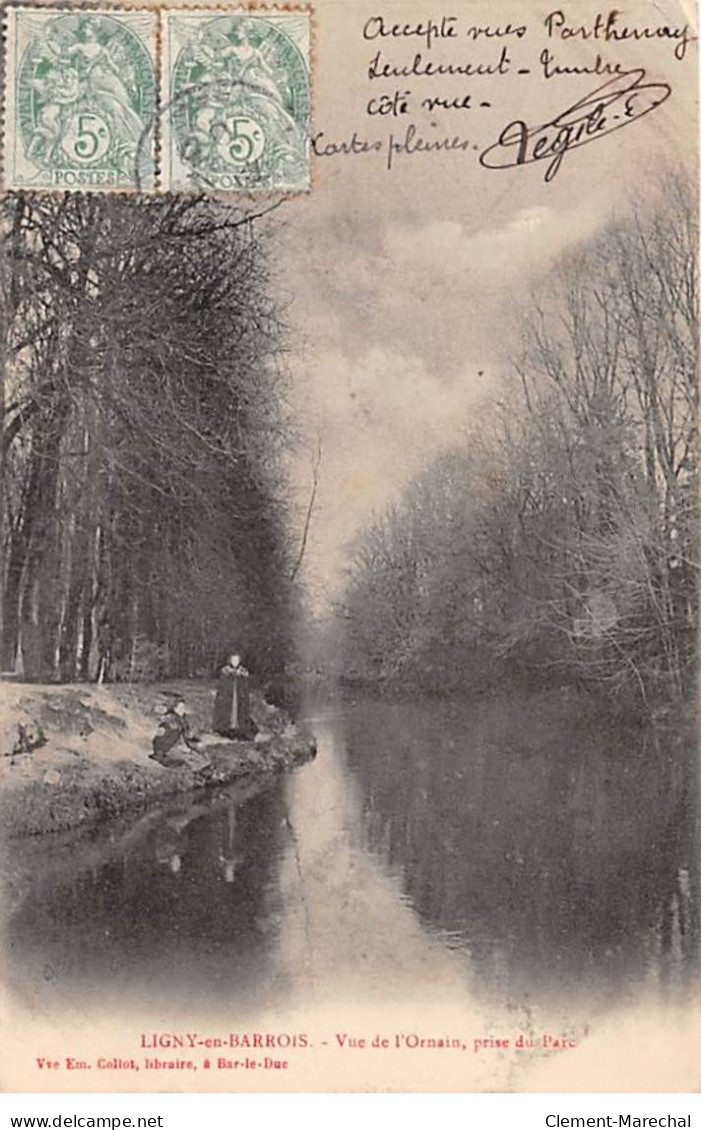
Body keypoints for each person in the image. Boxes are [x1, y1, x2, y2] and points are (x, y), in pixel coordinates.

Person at [212, 652, 257, 739]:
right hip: (228, 698)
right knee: (228, 711)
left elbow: (245, 687)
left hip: (239, 697)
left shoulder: (243, 672)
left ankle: (239, 729)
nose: (235, 662)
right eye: (233, 660)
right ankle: (226, 729)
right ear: (230, 661)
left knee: (239, 711)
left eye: (237, 660)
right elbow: (222, 688)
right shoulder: (225, 671)